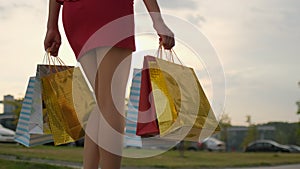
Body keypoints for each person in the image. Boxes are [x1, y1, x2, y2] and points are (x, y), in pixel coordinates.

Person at [44, 0, 175, 169]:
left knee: (103, 102)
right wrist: (158, 21)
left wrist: (51, 26)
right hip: (110, 9)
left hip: (75, 13)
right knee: (111, 102)